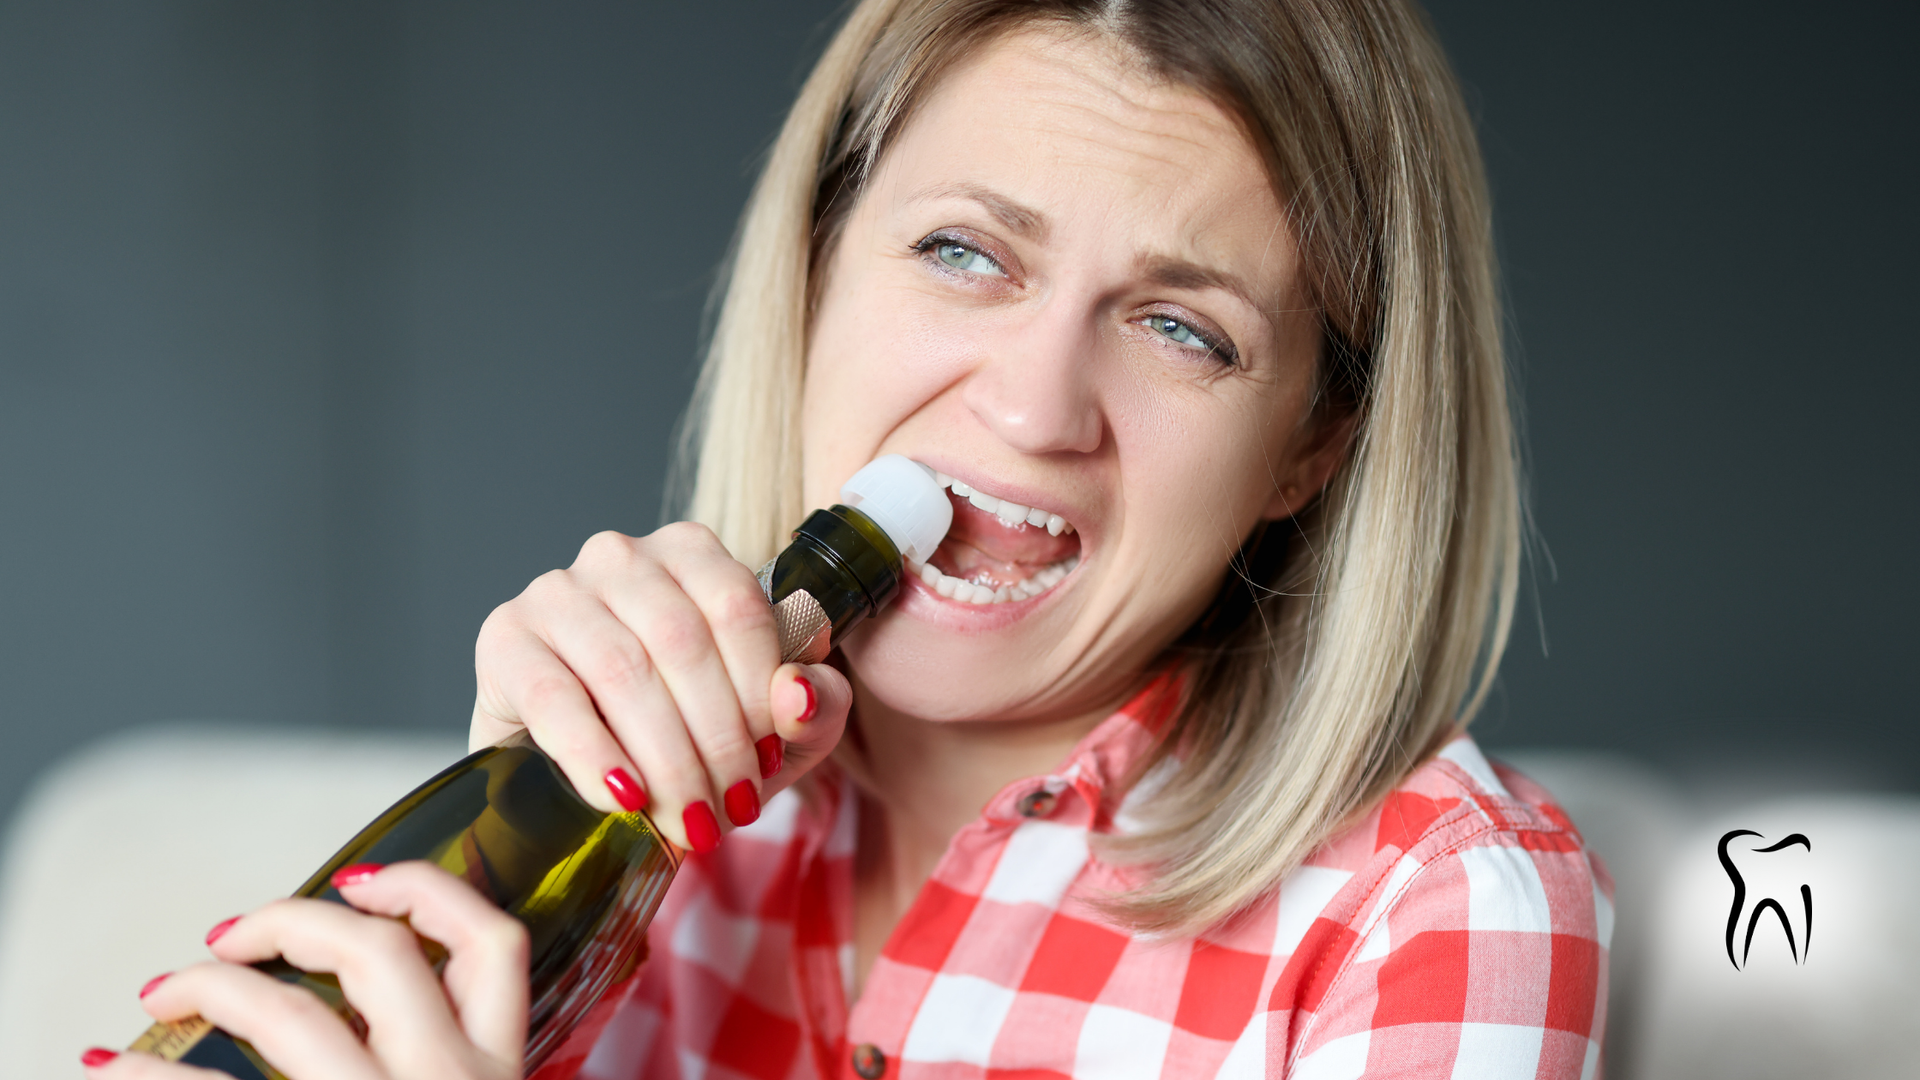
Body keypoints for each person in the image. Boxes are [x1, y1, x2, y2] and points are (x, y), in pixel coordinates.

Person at [89, 0, 1611, 1077]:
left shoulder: (1441, 906)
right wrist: (503, 865)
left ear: (1315, 445)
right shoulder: (627, 802)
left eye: (1179, 329)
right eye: (965, 253)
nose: (1031, 408)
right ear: (814, 273)